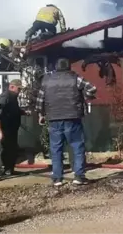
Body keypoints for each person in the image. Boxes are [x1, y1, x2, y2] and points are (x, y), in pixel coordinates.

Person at [36, 58, 96, 186]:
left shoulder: (47, 80)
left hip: (54, 118)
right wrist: (85, 96)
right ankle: (79, 176)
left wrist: (41, 114)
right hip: (73, 117)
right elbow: (92, 88)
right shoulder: (75, 78)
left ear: (56, 67)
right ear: (69, 67)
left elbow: (40, 100)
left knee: (56, 148)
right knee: (77, 146)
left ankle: (57, 178)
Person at [0, 79, 29, 177]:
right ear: (12, 87)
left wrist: (22, 112)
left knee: (12, 148)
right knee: (6, 148)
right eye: (19, 89)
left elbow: (13, 110)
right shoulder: (5, 97)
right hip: (6, 127)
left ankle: (9, 169)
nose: (20, 91)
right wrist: (0, 128)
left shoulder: (13, 97)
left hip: (12, 127)